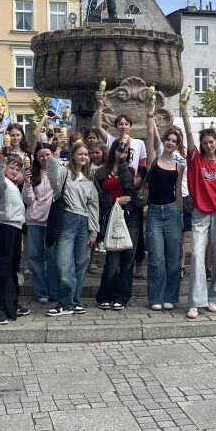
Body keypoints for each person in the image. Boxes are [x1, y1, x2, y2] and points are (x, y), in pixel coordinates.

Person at [180, 94, 216, 319]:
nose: (208, 145)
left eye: (211, 142)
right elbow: (189, 136)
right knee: (197, 255)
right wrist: (184, 111)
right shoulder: (196, 161)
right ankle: (195, 301)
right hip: (200, 213)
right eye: (205, 143)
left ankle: (215, 297)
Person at [45, 136, 100, 316]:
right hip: (67, 219)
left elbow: (94, 206)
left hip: (84, 222)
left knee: (80, 263)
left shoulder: (89, 179)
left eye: (86, 154)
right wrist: (57, 150)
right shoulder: (64, 172)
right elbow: (51, 172)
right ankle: (65, 302)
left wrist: (93, 230)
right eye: (80, 154)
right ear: (73, 156)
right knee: (63, 262)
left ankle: (74, 302)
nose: (84, 157)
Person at [0, 154, 31, 324]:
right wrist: (2, 161)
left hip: (16, 228)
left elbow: (20, 210)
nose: (15, 171)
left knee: (13, 269)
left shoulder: (14, 186)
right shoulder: (2, 183)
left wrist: (20, 238)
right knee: (3, 267)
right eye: (12, 167)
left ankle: (11, 303)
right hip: (6, 227)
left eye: (17, 169)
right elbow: (0, 177)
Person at [144, 99, 185, 311]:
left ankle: (170, 296)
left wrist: (180, 214)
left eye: (173, 141)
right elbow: (150, 137)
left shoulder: (179, 166)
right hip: (153, 213)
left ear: (177, 145)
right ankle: (155, 298)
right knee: (156, 258)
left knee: (173, 259)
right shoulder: (154, 159)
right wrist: (150, 115)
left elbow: (178, 193)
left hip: (171, 212)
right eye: (168, 139)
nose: (169, 143)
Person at [93, 139, 142, 311]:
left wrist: (122, 162)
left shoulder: (129, 170)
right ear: (113, 150)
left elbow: (128, 185)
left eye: (127, 151)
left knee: (128, 257)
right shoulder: (100, 172)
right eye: (121, 150)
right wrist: (116, 200)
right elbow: (98, 197)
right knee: (113, 258)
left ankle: (122, 297)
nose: (123, 152)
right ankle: (105, 295)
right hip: (111, 216)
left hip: (130, 216)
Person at [23, 143, 59, 303]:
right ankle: (41, 291)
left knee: (52, 257)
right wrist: (27, 183)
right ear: (36, 158)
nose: (44, 158)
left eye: (47, 155)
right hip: (34, 220)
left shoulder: (59, 172)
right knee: (35, 257)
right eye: (41, 156)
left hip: (52, 220)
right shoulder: (32, 174)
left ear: (52, 154)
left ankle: (54, 290)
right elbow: (28, 200)